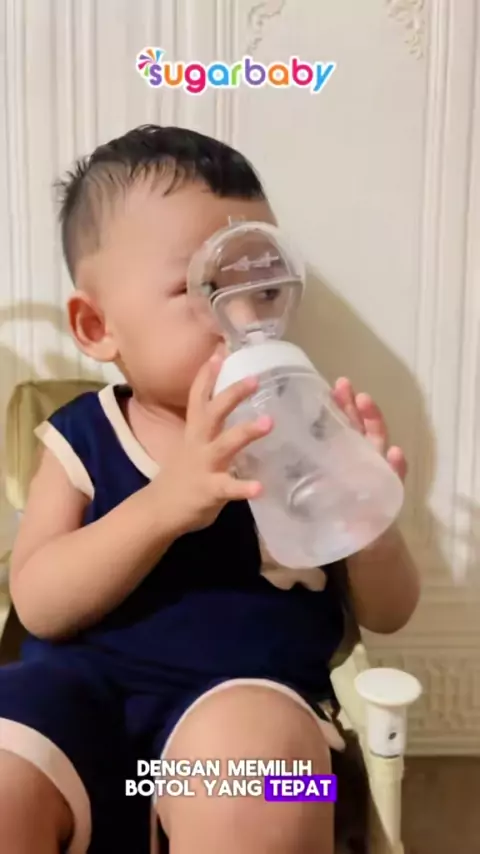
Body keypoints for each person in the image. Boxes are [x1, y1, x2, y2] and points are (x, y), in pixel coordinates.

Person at [0, 125, 420, 854]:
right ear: (97, 326)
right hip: (79, 701)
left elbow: (390, 612)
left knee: (270, 778)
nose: (245, 318)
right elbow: (37, 605)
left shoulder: (304, 430)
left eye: (263, 288)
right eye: (203, 289)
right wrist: (168, 503)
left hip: (262, 706)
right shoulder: (80, 436)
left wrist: (369, 516)